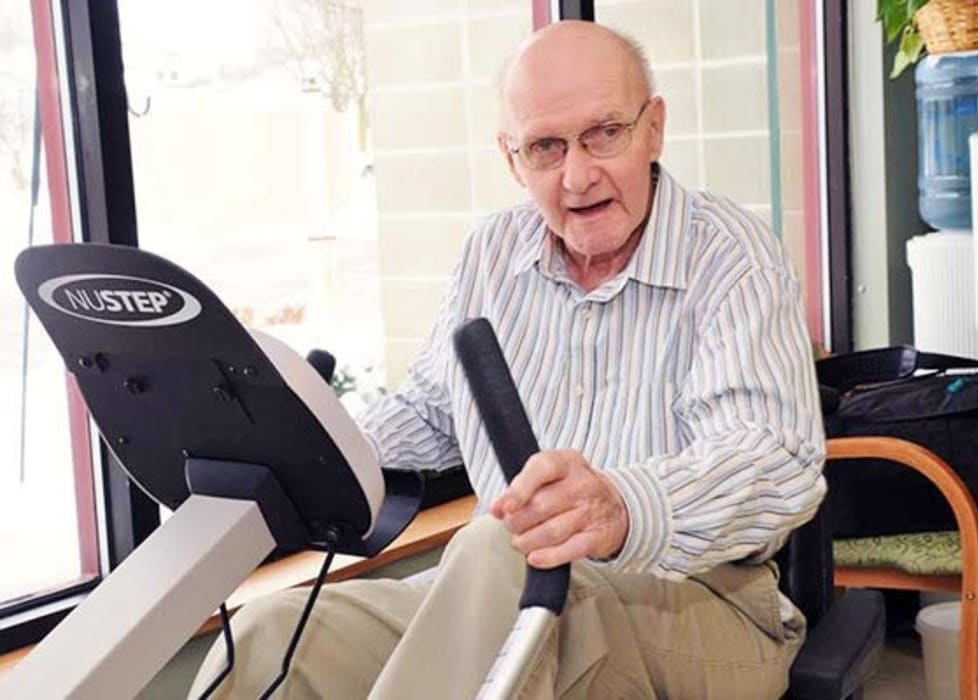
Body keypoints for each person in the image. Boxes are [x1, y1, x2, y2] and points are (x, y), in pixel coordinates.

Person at [189, 19, 826, 700]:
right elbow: (429, 414)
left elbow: (774, 462)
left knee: (501, 548)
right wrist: (306, 454)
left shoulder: (730, 256)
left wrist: (622, 507)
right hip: (497, 587)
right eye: (547, 147)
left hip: (697, 605)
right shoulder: (491, 254)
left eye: (605, 133)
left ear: (654, 128)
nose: (579, 175)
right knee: (273, 635)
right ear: (511, 157)